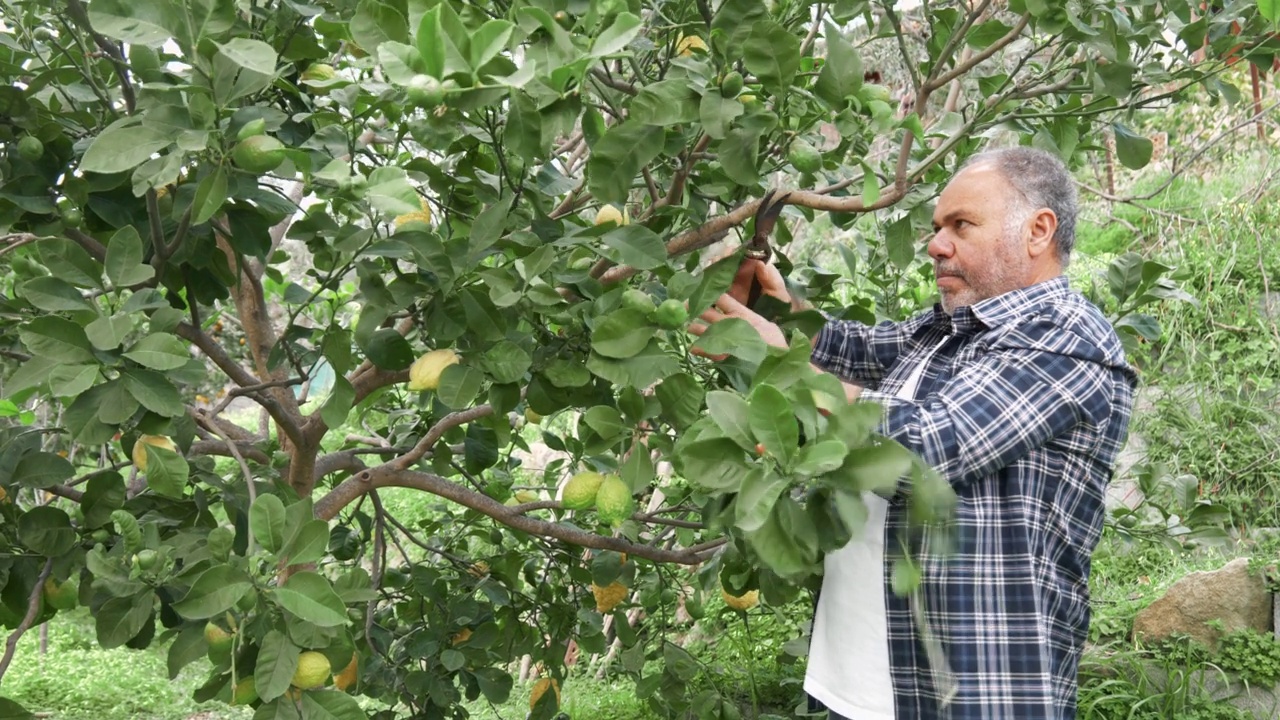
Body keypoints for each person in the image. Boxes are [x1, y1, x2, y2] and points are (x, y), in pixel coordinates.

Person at [691, 146, 1138, 719]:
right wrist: (780, 310)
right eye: (936, 227)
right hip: (853, 683)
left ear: (1037, 230)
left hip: (973, 694)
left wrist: (775, 356)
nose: (935, 243)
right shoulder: (947, 329)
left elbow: (927, 445)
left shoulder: (1070, 340)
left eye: (961, 225)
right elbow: (848, 351)